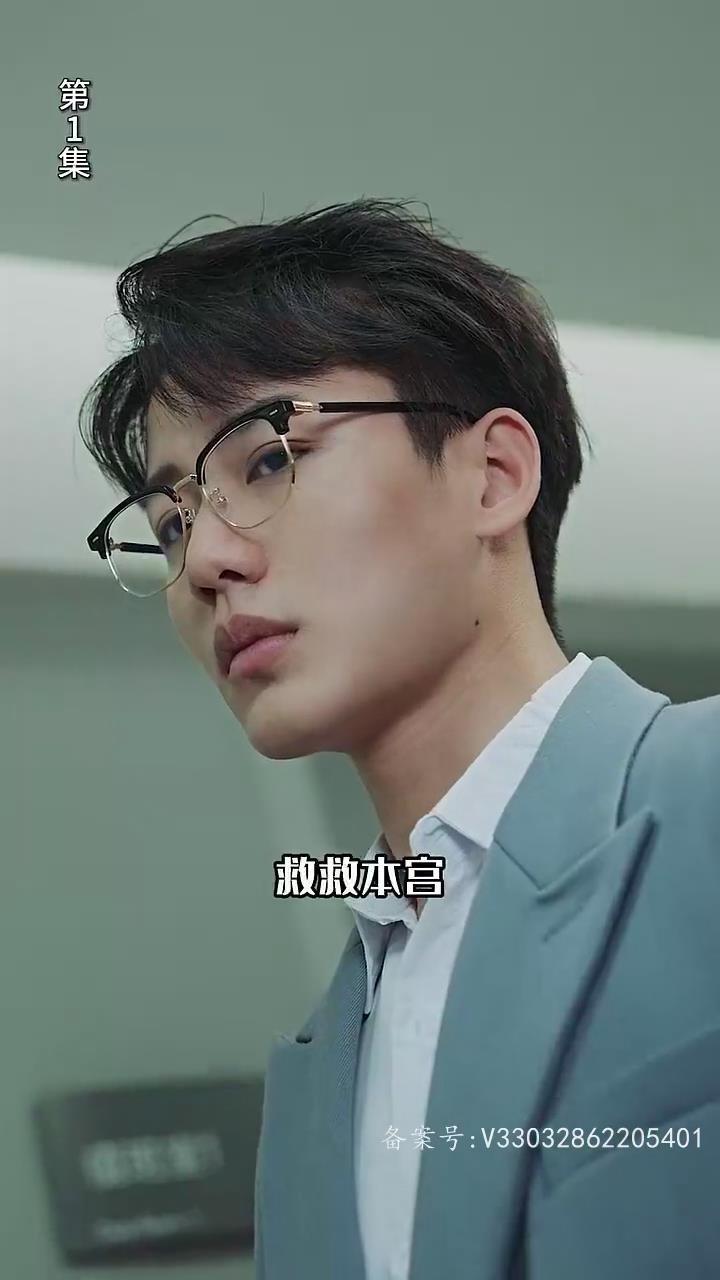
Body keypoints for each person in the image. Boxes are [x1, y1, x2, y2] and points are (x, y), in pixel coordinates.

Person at [80, 198, 720, 1279]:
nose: (205, 564)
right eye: (172, 524)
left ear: (493, 476)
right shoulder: (318, 1072)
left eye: (268, 459)